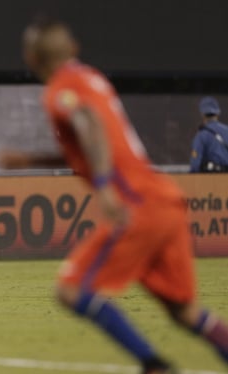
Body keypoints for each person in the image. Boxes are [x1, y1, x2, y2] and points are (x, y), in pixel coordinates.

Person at [14, 18, 228, 373]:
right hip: (163, 199)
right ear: (74, 50)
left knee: (71, 290)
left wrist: (104, 188)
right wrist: (30, 160)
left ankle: (154, 365)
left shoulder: (60, 89)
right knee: (185, 312)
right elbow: (93, 134)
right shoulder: (91, 78)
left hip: (136, 204)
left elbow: (90, 125)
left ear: (30, 58)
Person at [189, 96, 228, 172]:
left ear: (202, 114)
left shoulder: (201, 135)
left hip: (211, 178)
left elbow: (195, 164)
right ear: (218, 113)